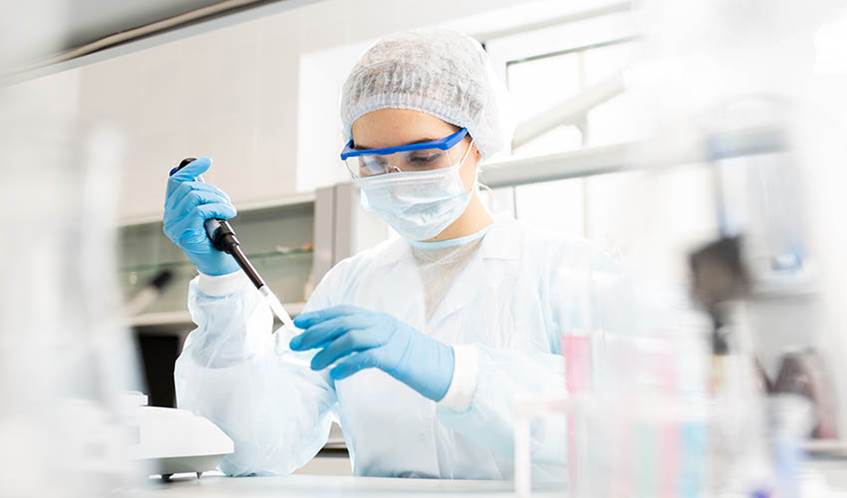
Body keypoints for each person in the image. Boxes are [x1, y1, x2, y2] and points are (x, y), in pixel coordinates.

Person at [164, 29, 617, 480]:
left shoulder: (567, 271)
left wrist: (459, 375)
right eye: (374, 164)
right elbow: (249, 450)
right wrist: (221, 283)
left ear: (476, 143)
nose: (397, 179)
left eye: (422, 158)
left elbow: (619, 431)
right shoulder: (349, 285)